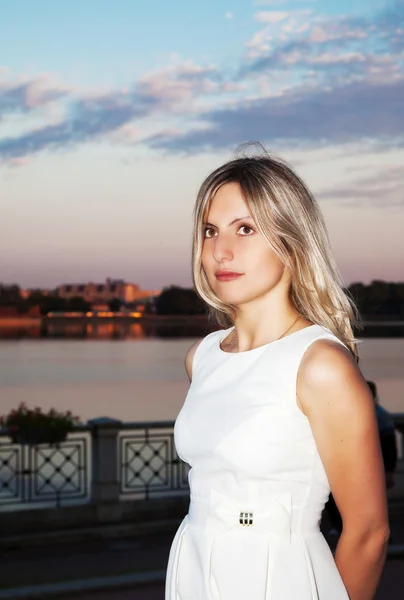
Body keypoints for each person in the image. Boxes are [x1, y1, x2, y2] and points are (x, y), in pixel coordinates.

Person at [165, 146, 389, 600]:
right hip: (193, 565)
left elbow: (368, 533)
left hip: (279, 577)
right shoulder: (202, 356)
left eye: (245, 228)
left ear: (290, 241)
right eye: (210, 231)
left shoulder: (319, 365)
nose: (221, 251)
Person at [325, 380, 397, 539]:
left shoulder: (380, 415)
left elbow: (389, 445)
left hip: (372, 468)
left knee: (369, 505)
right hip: (353, 467)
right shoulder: (352, 413)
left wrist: (389, 471)